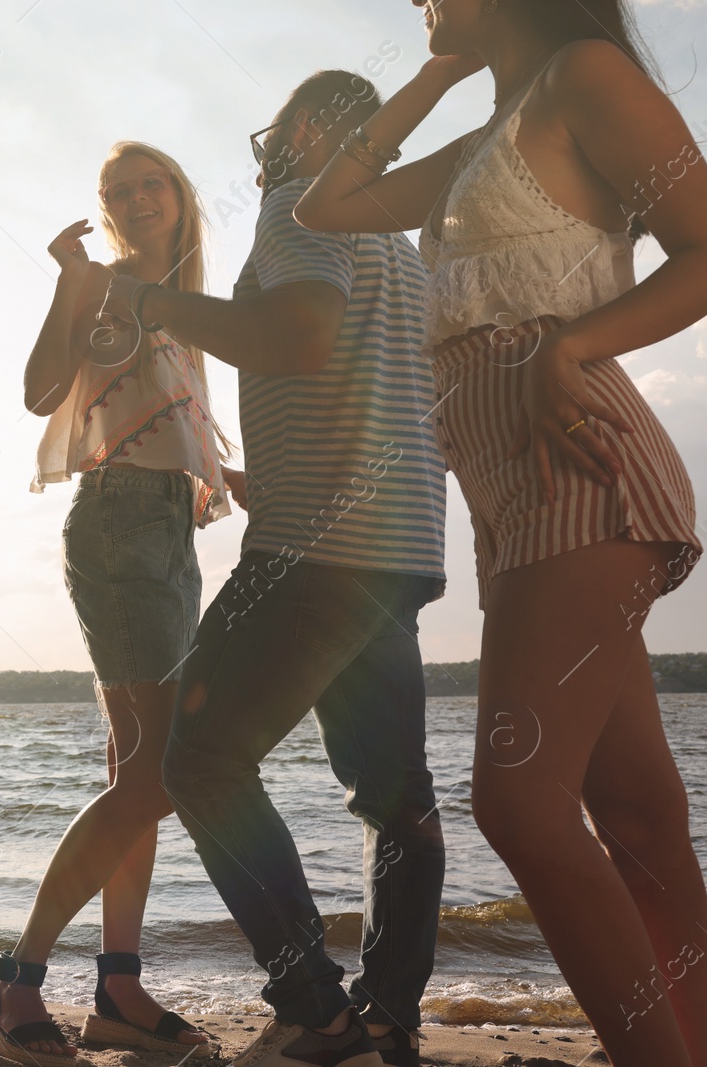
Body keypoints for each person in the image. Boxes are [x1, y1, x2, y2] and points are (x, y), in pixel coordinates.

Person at [294, 2, 707, 1062]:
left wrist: (577, 344)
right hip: (506, 495)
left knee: (517, 800)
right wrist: (433, 76)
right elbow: (328, 205)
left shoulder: (584, 76)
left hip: (579, 459)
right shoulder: (485, 133)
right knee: (640, 816)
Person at [101, 70, 450, 1067]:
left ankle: (311, 1004)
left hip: (310, 549)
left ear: (297, 131)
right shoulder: (402, 243)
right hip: (400, 548)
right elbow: (389, 381)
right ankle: (388, 1016)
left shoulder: (298, 205)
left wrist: (159, 301)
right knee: (398, 797)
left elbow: (301, 336)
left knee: (197, 760)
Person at [0, 142, 234, 1067]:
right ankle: (18, 982)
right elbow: (43, 391)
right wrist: (70, 284)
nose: (135, 197)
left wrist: (225, 470)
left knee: (138, 778)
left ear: (179, 194)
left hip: (165, 528)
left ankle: (119, 986)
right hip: (119, 525)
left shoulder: (182, 300)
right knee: (155, 774)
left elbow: (158, 420)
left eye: (150, 182)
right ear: (109, 210)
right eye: (119, 190)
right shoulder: (106, 282)